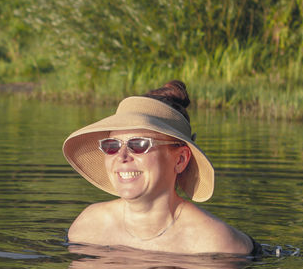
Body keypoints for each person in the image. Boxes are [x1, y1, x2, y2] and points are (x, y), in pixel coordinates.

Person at [63, 80, 258, 255]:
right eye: (111, 146)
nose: (122, 157)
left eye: (138, 145)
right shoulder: (87, 228)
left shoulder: (214, 243)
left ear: (180, 159)